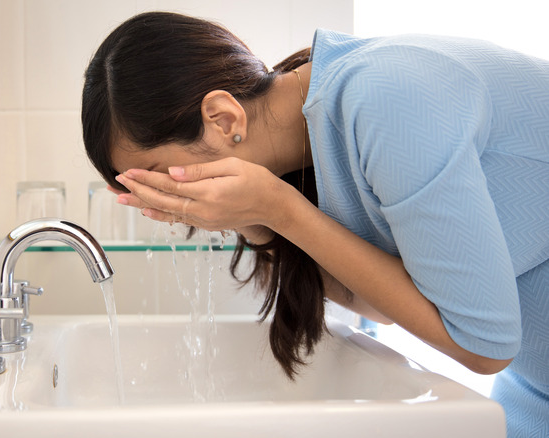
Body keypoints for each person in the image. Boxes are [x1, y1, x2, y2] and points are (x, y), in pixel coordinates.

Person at [81, 11, 548, 437]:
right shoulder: (321, 136)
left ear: (222, 119)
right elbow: (388, 304)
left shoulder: (383, 99)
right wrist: (260, 222)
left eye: (162, 177)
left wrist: (280, 209)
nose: (170, 199)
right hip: (532, 390)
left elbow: (484, 346)